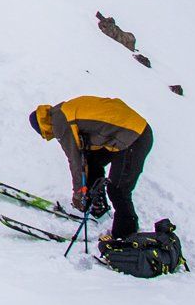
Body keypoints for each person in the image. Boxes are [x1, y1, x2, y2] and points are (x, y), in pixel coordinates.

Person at [28, 97, 154, 240]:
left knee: (118, 189)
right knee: (92, 161)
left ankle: (125, 237)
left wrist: (78, 193)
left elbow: (75, 161)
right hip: (129, 131)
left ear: (42, 126)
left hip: (134, 138)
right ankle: (96, 205)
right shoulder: (62, 110)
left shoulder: (59, 122)